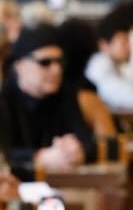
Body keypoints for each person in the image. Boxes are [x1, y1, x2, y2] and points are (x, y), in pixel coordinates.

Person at [0, 24, 95, 178]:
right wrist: (40, 157)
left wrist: (75, 151)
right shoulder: (4, 98)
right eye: (45, 62)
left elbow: (87, 142)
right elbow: (4, 154)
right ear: (20, 66)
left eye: (60, 62)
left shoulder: (65, 93)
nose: (56, 70)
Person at [85, 4, 133, 113]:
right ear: (104, 45)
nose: (129, 47)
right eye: (124, 42)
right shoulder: (99, 67)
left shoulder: (116, 66)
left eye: (129, 41)